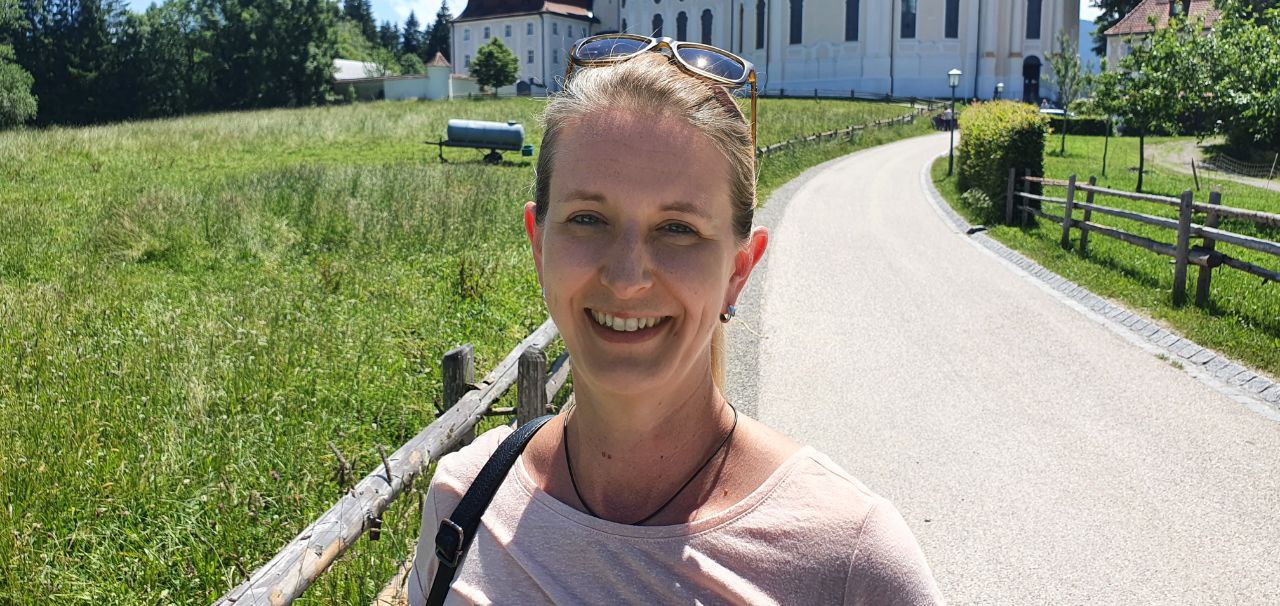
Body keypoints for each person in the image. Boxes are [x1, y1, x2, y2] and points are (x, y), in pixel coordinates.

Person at [407, 35, 942, 605]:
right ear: (540, 245)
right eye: (588, 218)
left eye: (678, 229)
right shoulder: (463, 503)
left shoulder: (851, 564)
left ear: (738, 270)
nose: (627, 277)